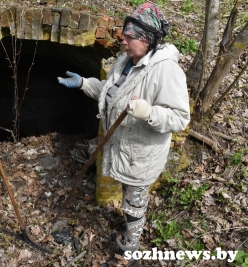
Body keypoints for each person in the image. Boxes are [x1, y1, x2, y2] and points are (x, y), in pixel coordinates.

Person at [58, 2, 190, 264]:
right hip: (122, 146)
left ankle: (131, 248)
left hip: (140, 154)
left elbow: (180, 118)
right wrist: (85, 83)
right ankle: (130, 240)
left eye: (130, 37)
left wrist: (148, 112)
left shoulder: (166, 70)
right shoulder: (127, 60)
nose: (123, 40)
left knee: (134, 204)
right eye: (124, 35)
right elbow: (113, 96)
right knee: (129, 199)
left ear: (147, 39)